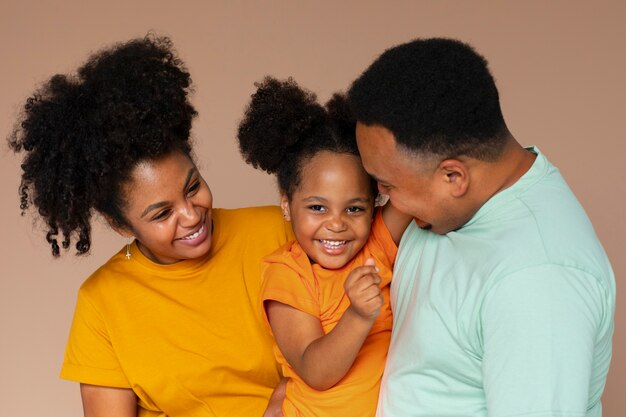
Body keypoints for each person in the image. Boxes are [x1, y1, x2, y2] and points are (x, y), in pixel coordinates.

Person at [8, 35, 294, 417]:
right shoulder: (103, 303)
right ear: (120, 224)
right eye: (161, 214)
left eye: (193, 187)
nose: (191, 216)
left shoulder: (279, 231)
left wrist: (290, 395)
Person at [346, 37, 616, 417]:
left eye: (388, 186)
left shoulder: (537, 279)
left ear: (453, 177)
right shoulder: (449, 208)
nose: (381, 200)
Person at [237, 77, 411, 417]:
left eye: (354, 208)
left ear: (375, 204)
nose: (336, 223)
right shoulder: (287, 272)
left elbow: (415, 184)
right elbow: (315, 371)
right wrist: (358, 315)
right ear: (286, 204)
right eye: (318, 207)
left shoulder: (375, 244)